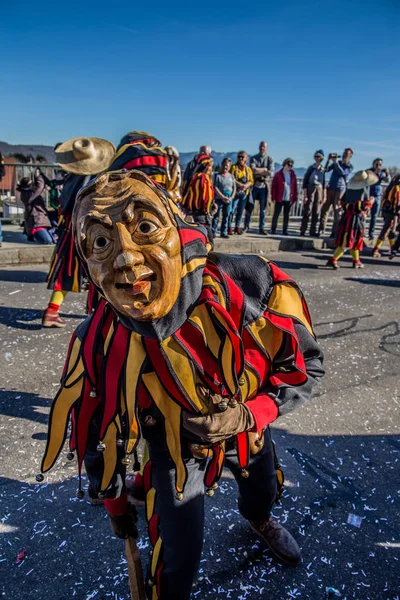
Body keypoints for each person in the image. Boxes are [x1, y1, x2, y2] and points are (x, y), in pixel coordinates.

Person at [38, 164, 324, 600]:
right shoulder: (96, 342)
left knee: (260, 490)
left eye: (146, 227)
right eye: (99, 241)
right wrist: (116, 507)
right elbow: (95, 436)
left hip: (246, 427)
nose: (126, 258)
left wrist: (250, 413)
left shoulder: (250, 288)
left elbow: (307, 365)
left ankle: (260, 519)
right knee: (177, 558)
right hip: (171, 449)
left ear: (177, 225)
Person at [42, 136, 116, 328]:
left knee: (71, 273)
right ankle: (95, 314)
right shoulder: (88, 180)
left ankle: (54, 311)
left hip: (71, 231)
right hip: (82, 232)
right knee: (96, 271)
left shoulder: (71, 178)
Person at [326, 170, 378, 270]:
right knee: (348, 241)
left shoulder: (349, 190)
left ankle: (356, 261)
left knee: (354, 241)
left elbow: (344, 203)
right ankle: (333, 260)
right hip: (355, 220)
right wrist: (370, 202)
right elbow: (361, 206)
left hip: (347, 218)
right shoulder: (363, 190)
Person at [319, 148, 354, 237]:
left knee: (337, 210)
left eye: (347, 154)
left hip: (340, 189)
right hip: (331, 187)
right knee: (325, 209)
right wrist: (328, 161)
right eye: (344, 153)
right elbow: (325, 170)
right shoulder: (337, 163)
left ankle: (334, 232)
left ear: (350, 156)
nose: (344, 155)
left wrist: (336, 163)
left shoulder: (349, 166)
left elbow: (343, 172)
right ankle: (321, 229)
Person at [180, 153, 215, 242]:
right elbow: (206, 198)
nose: (211, 169)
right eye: (210, 166)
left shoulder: (194, 177)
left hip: (192, 212)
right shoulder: (204, 178)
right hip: (201, 214)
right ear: (206, 166)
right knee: (208, 242)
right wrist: (209, 208)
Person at [17, 171, 54, 244]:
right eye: (31, 183)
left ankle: (33, 235)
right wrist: (38, 177)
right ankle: (34, 235)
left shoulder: (28, 192)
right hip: (36, 222)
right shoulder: (28, 194)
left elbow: (39, 188)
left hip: (39, 221)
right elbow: (39, 187)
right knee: (48, 240)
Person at [245, 141, 274, 234]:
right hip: (254, 186)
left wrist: (261, 171)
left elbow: (271, 172)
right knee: (250, 206)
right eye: (261, 146)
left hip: (264, 186)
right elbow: (252, 170)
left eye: (264, 146)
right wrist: (264, 170)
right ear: (259, 147)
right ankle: (246, 226)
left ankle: (261, 227)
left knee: (263, 209)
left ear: (267, 148)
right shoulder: (254, 158)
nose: (262, 148)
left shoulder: (270, 159)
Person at [372, 174, 400, 257]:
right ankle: (375, 249)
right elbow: (397, 204)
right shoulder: (397, 189)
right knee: (386, 230)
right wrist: (396, 215)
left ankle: (392, 248)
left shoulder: (390, 187)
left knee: (389, 230)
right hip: (392, 212)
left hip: (386, 210)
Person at [300, 150, 326, 237]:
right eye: (316, 156)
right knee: (308, 209)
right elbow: (305, 181)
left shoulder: (323, 170)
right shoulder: (311, 168)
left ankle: (313, 230)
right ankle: (303, 229)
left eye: (319, 157)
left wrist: (324, 196)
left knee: (316, 210)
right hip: (311, 187)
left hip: (319, 188)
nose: (317, 158)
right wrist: (305, 194)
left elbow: (324, 184)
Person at [270, 158, 298, 235]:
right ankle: (273, 229)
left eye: (291, 165)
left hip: (288, 197)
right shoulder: (278, 174)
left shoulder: (292, 175)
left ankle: (285, 230)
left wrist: (295, 198)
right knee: (276, 214)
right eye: (289, 165)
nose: (290, 167)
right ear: (285, 164)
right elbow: (274, 187)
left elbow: (295, 187)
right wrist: (273, 197)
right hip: (280, 197)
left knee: (286, 215)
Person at [230, 151, 254, 235]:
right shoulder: (233, 167)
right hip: (235, 192)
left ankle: (237, 227)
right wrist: (240, 185)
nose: (241, 158)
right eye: (239, 156)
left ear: (246, 159)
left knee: (240, 211)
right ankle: (229, 227)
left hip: (244, 193)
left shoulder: (248, 169)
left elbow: (251, 180)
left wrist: (245, 186)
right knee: (232, 210)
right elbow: (232, 178)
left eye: (242, 157)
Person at [212, 158, 236, 238]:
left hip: (228, 198)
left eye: (228, 166)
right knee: (216, 215)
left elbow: (234, 188)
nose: (225, 167)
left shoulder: (231, 177)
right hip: (219, 198)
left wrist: (231, 197)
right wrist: (222, 197)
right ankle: (213, 231)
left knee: (226, 216)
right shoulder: (217, 176)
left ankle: (223, 232)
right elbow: (215, 187)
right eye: (224, 165)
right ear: (222, 165)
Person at [368, 158, 391, 240]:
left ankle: (371, 233)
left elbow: (388, 180)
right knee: (363, 214)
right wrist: (374, 173)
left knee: (374, 215)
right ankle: (360, 231)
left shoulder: (382, 173)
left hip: (377, 195)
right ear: (373, 164)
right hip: (368, 195)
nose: (378, 166)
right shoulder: (369, 171)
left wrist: (387, 173)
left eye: (380, 165)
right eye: (376, 164)